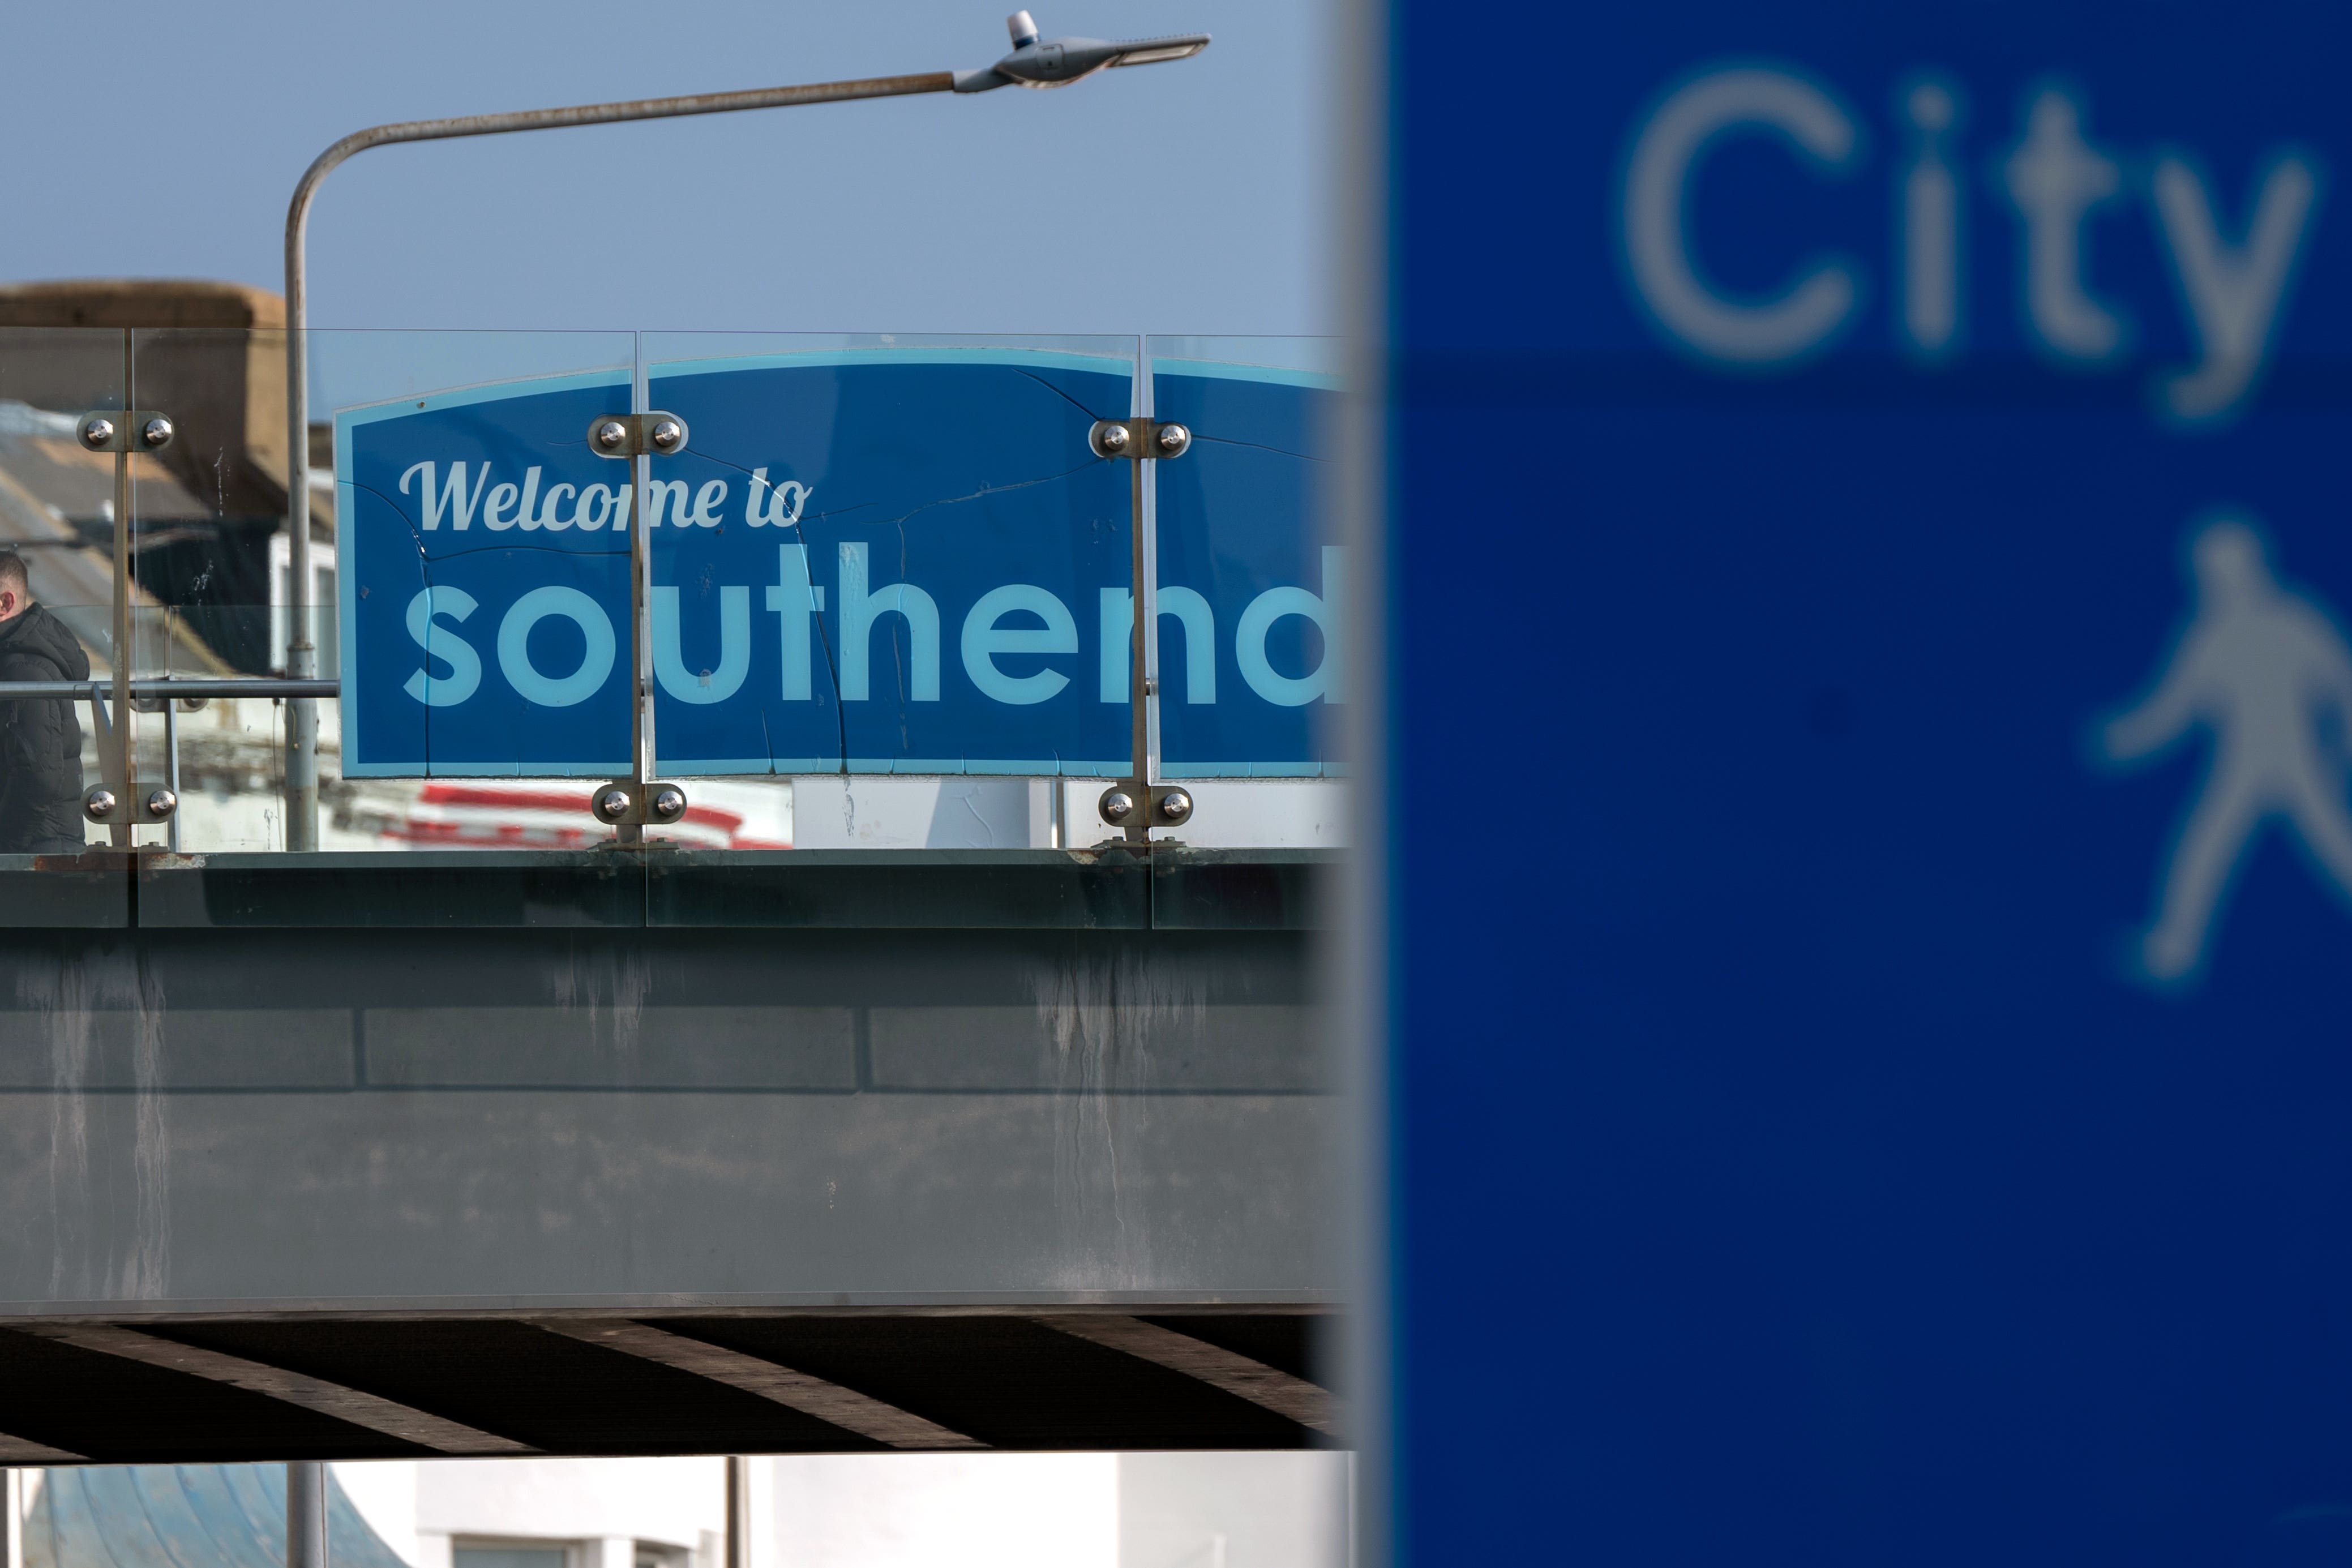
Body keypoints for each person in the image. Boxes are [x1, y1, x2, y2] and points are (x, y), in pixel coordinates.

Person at [2098, 518, 2352, 981]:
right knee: (2204, 846)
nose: (2222, 578)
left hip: (2299, 758)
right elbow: (2172, 708)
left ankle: (2174, 949)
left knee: (2336, 845)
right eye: (2212, 570)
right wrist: (2123, 741)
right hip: (2243, 762)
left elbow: (2342, 683)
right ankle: (2174, 950)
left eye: (2228, 567)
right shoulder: (2208, 635)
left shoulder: (2294, 620)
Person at [0, 549, 91, 854]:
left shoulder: (23, 669)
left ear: (5, 603)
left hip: (35, 858)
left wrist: (7, 848)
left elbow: (38, 776)